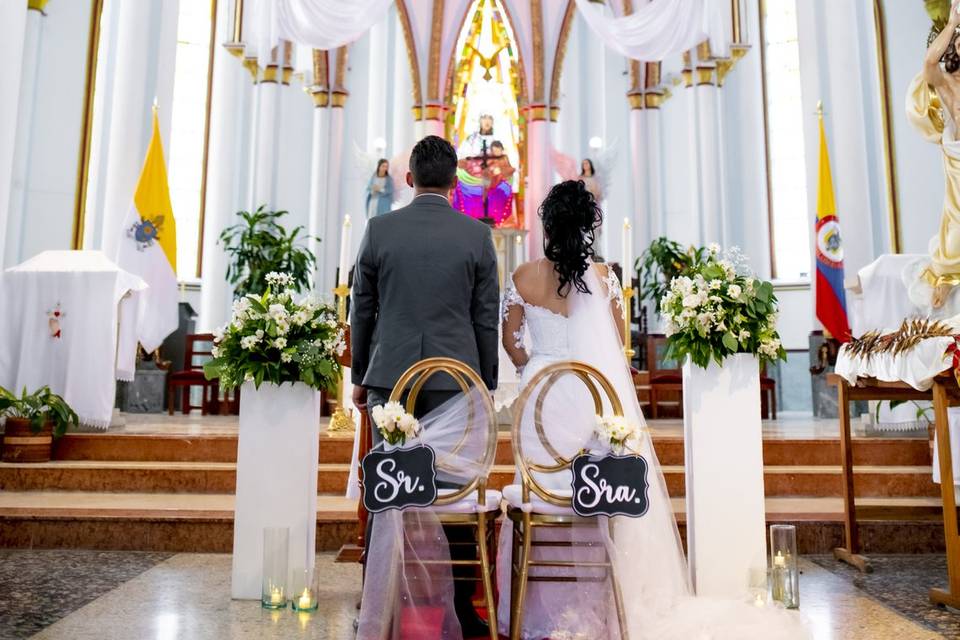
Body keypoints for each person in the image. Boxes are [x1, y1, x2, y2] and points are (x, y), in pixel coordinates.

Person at [497, 180, 810, 639]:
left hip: (541, 413)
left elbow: (510, 341)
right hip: (594, 405)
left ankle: (546, 601)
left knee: (547, 485)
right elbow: (618, 346)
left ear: (547, 227)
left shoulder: (523, 276)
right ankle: (614, 597)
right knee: (605, 472)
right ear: (587, 227)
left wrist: (534, 367)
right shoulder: (604, 280)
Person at [350, 134, 500, 637]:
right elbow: (485, 321)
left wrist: (358, 377)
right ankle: (463, 605)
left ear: (409, 179)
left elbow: (362, 310)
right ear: (456, 182)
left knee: (386, 490)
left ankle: (380, 600)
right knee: (453, 491)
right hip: (454, 384)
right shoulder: (477, 236)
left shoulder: (379, 229)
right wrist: (485, 384)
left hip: (389, 381)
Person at [908, 0, 960, 308]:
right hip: (957, 166)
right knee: (954, 239)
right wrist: (952, 23)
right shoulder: (947, 84)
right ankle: (944, 277)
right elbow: (929, 63)